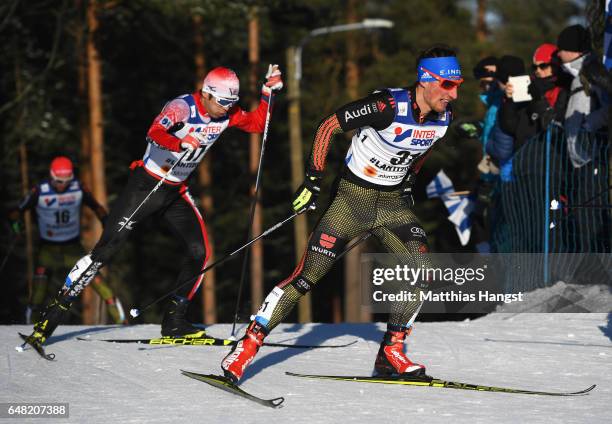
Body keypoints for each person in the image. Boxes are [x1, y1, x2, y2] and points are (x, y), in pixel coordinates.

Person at [221, 45, 461, 383]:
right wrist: (313, 180)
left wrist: (409, 182)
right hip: (351, 201)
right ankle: (246, 347)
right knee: (308, 277)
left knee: (422, 270)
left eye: (458, 85)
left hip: (392, 206)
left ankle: (392, 352)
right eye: (447, 85)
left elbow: (422, 149)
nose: (453, 93)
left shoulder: (445, 116)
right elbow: (327, 126)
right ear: (425, 80)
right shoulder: (387, 105)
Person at [22, 65, 283, 349]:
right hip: (145, 186)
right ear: (206, 94)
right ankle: (47, 323)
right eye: (223, 102)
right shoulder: (181, 107)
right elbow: (154, 131)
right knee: (105, 251)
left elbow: (258, 124)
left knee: (199, 252)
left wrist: (267, 92)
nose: (228, 108)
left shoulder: (227, 113)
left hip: (175, 192)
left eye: (232, 102)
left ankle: (174, 322)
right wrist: (179, 141)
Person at [11, 156, 126, 325]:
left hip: (72, 247)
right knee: (39, 286)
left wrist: (106, 222)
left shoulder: (78, 187)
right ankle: (31, 323)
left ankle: (121, 320)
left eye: (66, 180)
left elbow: (97, 206)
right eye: (58, 181)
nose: (62, 185)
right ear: (51, 176)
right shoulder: (40, 191)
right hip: (48, 248)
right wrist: (16, 222)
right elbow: (17, 210)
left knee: (93, 276)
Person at [556, 24, 608, 168]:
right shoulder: (577, 75)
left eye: (561, 49)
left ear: (572, 51)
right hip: (582, 160)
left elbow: (608, 105)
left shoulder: (593, 71)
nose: (558, 54)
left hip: (594, 158)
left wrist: (587, 125)